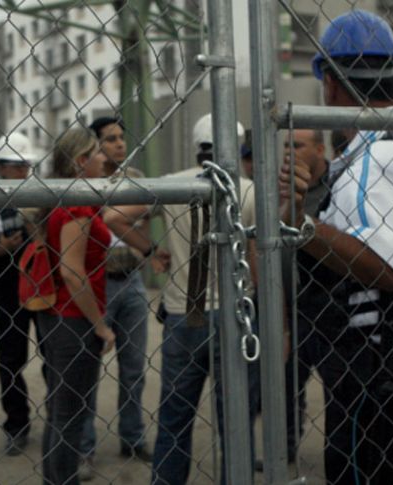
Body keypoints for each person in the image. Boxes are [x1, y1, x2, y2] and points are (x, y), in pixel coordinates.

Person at [279, 11, 393, 484]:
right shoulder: (376, 150)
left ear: (330, 85)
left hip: (385, 374)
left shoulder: (384, 155)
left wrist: (302, 226)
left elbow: (386, 268)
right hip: (383, 367)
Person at [146, 114, 260, 485]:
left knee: (175, 417)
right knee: (236, 420)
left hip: (183, 315)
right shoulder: (248, 190)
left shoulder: (171, 185)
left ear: (197, 148)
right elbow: (256, 261)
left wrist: (150, 249)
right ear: (237, 147)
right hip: (235, 315)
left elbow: (117, 216)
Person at [35, 128, 117, 485]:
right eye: (97, 152)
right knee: (69, 416)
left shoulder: (68, 198)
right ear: (81, 161)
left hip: (61, 318)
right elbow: (72, 271)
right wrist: (100, 325)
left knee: (61, 412)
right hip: (74, 320)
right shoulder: (77, 206)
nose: (104, 158)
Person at [77, 117, 156, 479]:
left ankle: (132, 436)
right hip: (98, 285)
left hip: (132, 281)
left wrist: (142, 248)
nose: (120, 144)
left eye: (122, 137)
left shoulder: (134, 177)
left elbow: (145, 220)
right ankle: (84, 448)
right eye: (110, 139)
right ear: (95, 145)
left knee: (134, 367)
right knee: (87, 369)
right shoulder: (86, 182)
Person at [0, 133, 44, 456]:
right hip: (7, 287)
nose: (23, 171)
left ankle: (60, 419)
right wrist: (0, 248)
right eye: (17, 166)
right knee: (10, 358)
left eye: (26, 165)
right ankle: (17, 424)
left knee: (53, 354)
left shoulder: (39, 193)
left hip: (42, 284)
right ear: (1, 167)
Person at [273, 129, 331, 470]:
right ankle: (286, 448)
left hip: (330, 307)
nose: (289, 152)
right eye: (286, 145)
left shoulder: (338, 186)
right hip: (292, 307)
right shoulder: (279, 190)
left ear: (320, 149)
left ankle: (341, 453)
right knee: (285, 384)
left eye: (298, 145)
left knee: (340, 388)